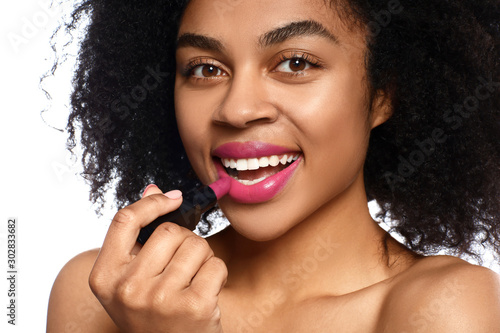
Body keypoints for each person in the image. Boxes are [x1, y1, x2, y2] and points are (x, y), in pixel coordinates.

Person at [47, 0, 500, 331]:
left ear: (383, 94)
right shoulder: (99, 295)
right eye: (205, 69)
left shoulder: (444, 308)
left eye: (295, 63)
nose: (237, 110)